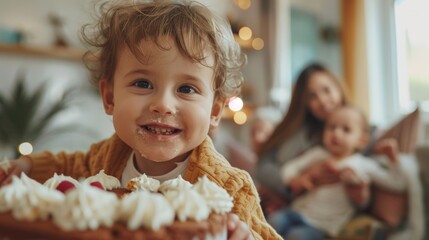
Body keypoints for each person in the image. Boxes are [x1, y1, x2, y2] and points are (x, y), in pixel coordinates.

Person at [0, 1, 280, 239]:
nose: (162, 104)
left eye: (186, 89)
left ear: (214, 111)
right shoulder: (107, 158)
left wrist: (246, 236)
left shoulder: (230, 188)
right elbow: (67, 165)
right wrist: (25, 164)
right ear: (110, 98)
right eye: (143, 83)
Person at [269, 105, 406, 239]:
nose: (336, 133)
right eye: (332, 127)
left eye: (346, 130)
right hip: (297, 212)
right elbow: (289, 168)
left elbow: (396, 182)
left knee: (297, 236)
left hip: (322, 225)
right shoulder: (318, 154)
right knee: (274, 220)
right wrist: (295, 180)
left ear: (362, 140)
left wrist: (393, 158)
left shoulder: (362, 165)